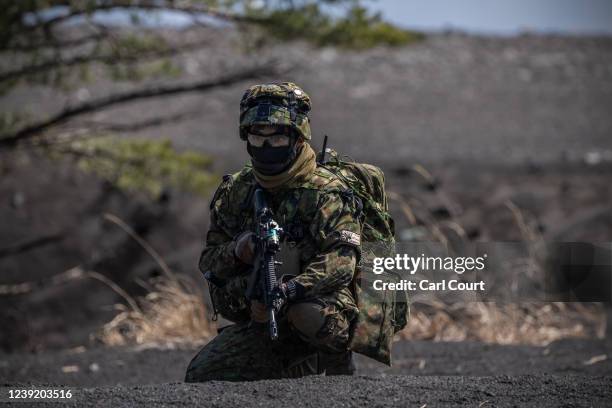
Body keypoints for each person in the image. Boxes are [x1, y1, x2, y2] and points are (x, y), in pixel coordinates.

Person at [185, 82, 366, 382]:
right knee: (202, 373)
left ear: (296, 138)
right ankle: (291, 365)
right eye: (259, 137)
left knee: (305, 314)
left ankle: (337, 364)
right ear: (247, 138)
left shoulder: (326, 193)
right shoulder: (238, 191)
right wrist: (239, 249)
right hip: (259, 315)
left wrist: (292, 289)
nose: (266, 148)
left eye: (278, 137)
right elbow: (208, 264)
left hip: (320, 307)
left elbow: (342, 262)